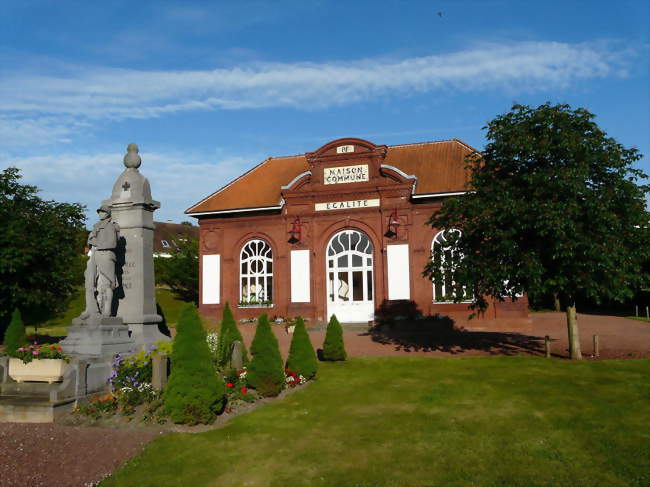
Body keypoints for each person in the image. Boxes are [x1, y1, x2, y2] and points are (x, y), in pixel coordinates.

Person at [80, 205, 120, 318]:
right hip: (94, 256)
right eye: (99, 212)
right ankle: (91, 309)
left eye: (103, 212)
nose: (100, 214)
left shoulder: (111, 227)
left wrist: (97, 242)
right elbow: (90, 241)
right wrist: (92, 241)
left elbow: (112, 243)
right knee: (90, 283)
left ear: (108, 214)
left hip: (105, 255)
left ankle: (107, 311)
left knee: (107, 283)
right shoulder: (96, 226)